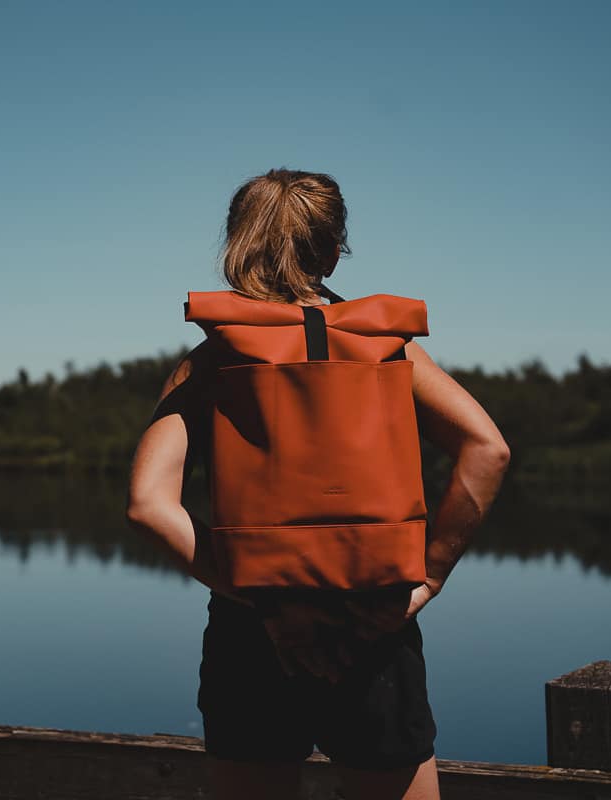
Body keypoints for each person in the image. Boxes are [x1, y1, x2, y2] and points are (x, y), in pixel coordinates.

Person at [125, 168, 510, 800]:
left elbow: (147, 505)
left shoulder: (216, 358)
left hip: (251, 632)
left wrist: (267, 604)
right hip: (375, 620)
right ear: (333, 249)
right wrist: (430, 576)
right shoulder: (388, 350)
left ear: (237, 243)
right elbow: (487, 449)